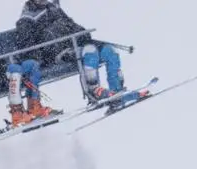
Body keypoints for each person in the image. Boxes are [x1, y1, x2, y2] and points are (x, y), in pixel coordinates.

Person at [15, 0, 151, 106]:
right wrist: (43, 56)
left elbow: (71, 24)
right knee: (90, 51)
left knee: (109, 51)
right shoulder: (27, 18)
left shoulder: (52, 8)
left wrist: (83, 34)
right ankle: (93, 90)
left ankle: (116, 90)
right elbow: (27, 46)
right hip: (57, 53)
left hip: (74, 45)